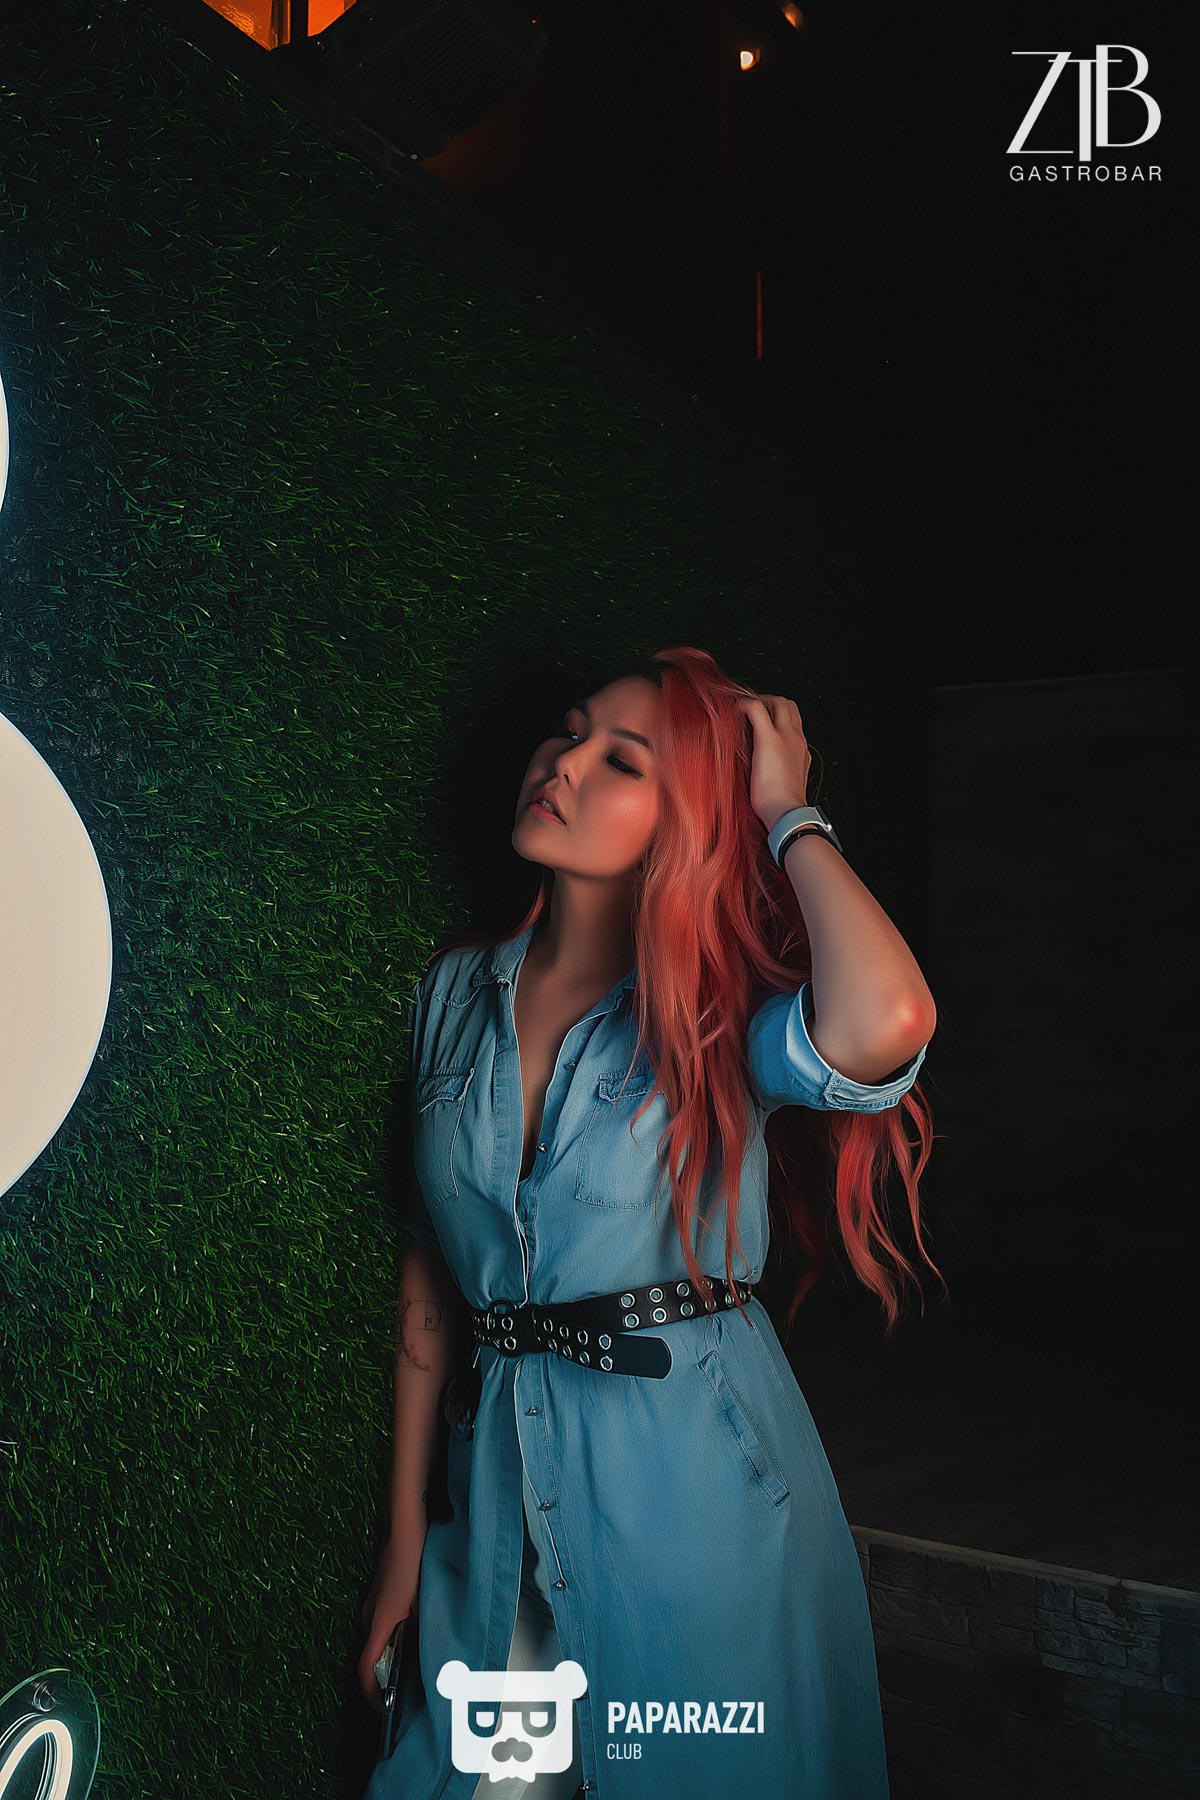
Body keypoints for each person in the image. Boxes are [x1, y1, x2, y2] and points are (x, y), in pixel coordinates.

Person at [357, 645, 943, 1799]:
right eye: (570, 731)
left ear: (685, 824)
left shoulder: (716, 1017)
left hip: (701, 1496)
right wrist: (405, 1539)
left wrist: (785, 809)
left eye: (622, 761)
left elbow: (888, 1017)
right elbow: (430, 1276)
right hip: (495, 1493)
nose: (564, 764)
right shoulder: (450, 995)